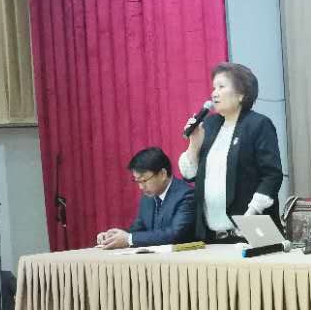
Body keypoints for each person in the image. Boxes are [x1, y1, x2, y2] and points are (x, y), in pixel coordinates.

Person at [179, 62, 284, 243]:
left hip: (250, 233)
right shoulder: (209, 125)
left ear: (242, 94)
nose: (214, 93)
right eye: (214, 88)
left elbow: (272, 176)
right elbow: (189, 175)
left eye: (221, 87)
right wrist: (193, 144)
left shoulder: (258, 124)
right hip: (211, 235)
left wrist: (251, 214)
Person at [96, 147, 196, 249]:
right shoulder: (148, 198)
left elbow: (175, 234)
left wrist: (129, 239)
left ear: (162, 174)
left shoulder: (186, 195)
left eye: (144, 181)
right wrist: (114, 237)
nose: (141, 187)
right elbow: (138, 230)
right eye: (137, 181)